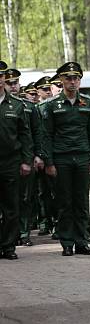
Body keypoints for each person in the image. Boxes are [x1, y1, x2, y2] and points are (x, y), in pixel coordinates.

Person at [40, 62, 90, 256]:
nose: (73, 82)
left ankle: (82, 241)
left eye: (76, 78)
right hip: (61, 159)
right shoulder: (52, 105)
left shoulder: (87, 103)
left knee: (81, 201)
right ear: (62, 81)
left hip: (82, 157)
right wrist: (49, 162)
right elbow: (46, 135)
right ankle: (67, 242)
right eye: (68, 78)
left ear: (80, 80)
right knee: (64, 202)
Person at [0, 62, 34, 259]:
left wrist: (26, 161)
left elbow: (25, 136)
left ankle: (9, 246)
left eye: (1, 76)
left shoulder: (17, 105)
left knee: (11, 207)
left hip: (11, 162)